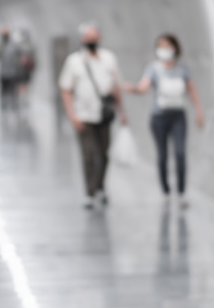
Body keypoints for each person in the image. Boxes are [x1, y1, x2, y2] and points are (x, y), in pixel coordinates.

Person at [124, 33, 204, 208]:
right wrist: (132, 88)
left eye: (167, 46)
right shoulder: (153, 68)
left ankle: (182, 192)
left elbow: (192, 90)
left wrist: (199, 111)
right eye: (161, 46)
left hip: (178, 116)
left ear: (175, 48)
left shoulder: (182, 68)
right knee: (162, 155)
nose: (164, 50)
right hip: (159, 117)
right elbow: (143, 87)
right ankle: (166, 191)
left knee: (180, 153)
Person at [58, 22, 128, 209]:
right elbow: (66, 89)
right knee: (88, 155)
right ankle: (89, 192)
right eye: (88, 38)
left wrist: (122, 112)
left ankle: (100, 186)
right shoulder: (74, 61)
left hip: (104, 115)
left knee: (104, 154)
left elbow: (115, 87)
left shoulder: (108, 59)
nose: (91, 41)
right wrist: (72, 115)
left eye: (94, 37)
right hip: (83, 115)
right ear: (82, 39)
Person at [0, 27, 22, 112]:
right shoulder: (0, 45)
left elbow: (19, 56)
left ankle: (15, 106)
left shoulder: (14, 45)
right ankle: (4, 107)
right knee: (4, 92)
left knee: (13, 91)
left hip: (13, 73)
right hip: (3, 73)